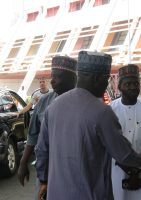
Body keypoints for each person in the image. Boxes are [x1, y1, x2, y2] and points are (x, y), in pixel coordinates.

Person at [35, 51, 141, 200]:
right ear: (96, 78)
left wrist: (44, 180)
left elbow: (41, 150)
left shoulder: (53, 107)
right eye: (106, 79)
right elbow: (124, 155)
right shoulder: (102, 112)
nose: (106, 84)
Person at [17, 55, 77, 197]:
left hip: (75, 168)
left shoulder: (84, 103)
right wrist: (23, 163)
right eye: (52, 76)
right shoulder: (44, 102)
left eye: (58, 77)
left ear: (72, 79)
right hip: (47, 168)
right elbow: (33, 135)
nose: (53, 81)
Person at [110, 64, 141, 200]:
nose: (133, 87)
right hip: (117, 172)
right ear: (119, 87)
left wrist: (139, 172)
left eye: (136, 83)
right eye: (128, 84)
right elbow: (108, 145)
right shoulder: (110, 110)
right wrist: (128, 170)